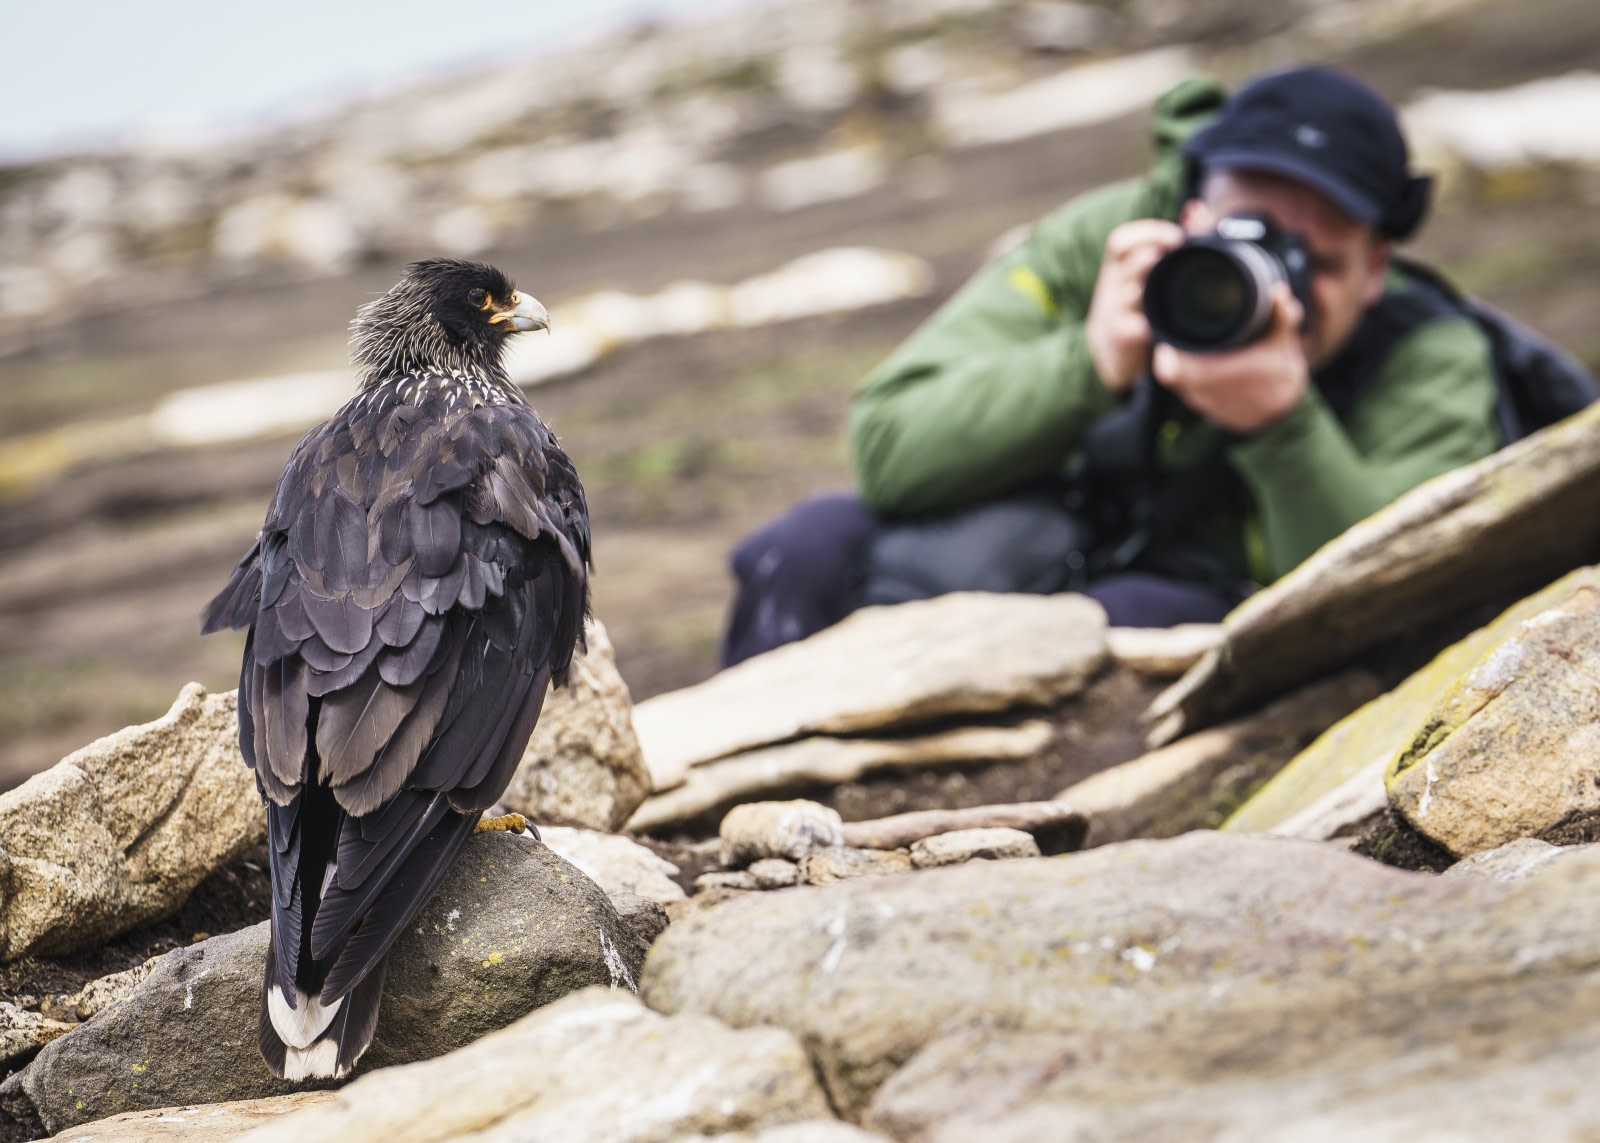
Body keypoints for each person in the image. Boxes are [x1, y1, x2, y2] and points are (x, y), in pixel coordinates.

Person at [721, 65, 1502, 667]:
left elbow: (1405, 601)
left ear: (1375, 266)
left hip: (1198, 605)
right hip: (1049, 528)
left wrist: (1281, 425)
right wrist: (1089, 364)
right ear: (1193, 211)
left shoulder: (1428, 351)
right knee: (811, 543)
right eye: (1243, 234)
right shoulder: (1116, 244)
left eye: (1314, 261)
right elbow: (888, 448)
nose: (1269, 281)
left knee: (1125, 616)